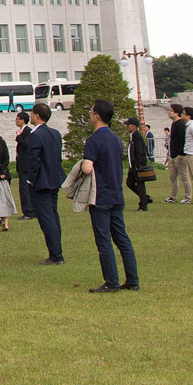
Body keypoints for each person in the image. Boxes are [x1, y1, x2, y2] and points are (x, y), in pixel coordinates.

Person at [78, 101, 138, 292]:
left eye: (91, 112)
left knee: (103, 240)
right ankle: (132, 280)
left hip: (100, 196)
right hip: (116, 194)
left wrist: (80, 166)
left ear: (96, 116)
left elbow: (87, 168)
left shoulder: (94, 140)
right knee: (122, 238)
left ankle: (111, 282)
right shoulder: (116, 139)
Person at [24, 103, 66, 265]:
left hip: (41, 181)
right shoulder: (55, 133)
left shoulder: (36, 135)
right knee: (53, 216)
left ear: (37, 116)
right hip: (54, 179)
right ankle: (56, 251)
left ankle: (56, 254)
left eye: (33, 114)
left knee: (47, 218)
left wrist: (32, 179)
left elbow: (34, 160)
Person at [122, 117, 153, 212]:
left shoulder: (137, 136)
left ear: (134, 126)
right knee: (130, 183)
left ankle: (143, 205)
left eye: (129, 125)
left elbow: (140, 151)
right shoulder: (132, 136)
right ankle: (145, 198)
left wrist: (138, 164)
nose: (127, 126)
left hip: (136, 165)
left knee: (140, 184)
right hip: (133, 165)